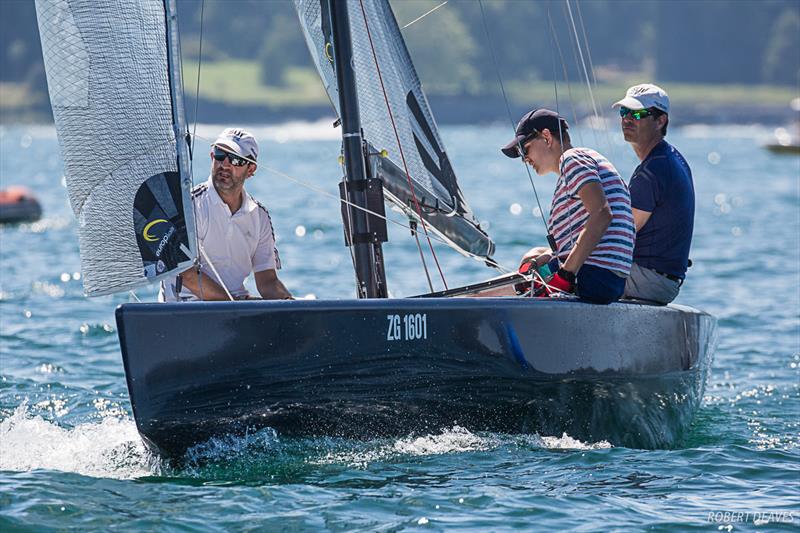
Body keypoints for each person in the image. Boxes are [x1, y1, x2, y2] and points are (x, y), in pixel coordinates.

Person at [501, 109, 635, 304]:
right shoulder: (585, 160)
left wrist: (566, 275)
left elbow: (601, 214)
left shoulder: (572, 159)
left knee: (491, 292)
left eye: (525, 149)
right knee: (533, 257)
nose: (524, 159)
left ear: (546, 137)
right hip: (610, 279)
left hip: (592, 275)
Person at [160, 128, 292, 301]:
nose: (225, 164)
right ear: (212, 157)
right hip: (186, 309)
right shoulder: (189, 206)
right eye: (220, 154)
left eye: (236, 160)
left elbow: (267, 282)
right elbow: (186, 274)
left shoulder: (260, 217)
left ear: (251, 169)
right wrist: (234, 305)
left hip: (235, 309)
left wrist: (293, 307)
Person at [612, 84, 694, 304]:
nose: (627, 119)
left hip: (651, 280)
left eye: (637, 114)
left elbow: (621, 235)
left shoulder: (653, 171)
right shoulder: (671, 157)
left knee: (565, 271)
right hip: (660, 278)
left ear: (660, 121)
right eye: (624, 112)